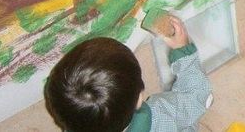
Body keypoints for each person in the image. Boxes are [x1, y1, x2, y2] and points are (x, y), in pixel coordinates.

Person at [44, 16, 212, 132]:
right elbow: (197, 96)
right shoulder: (162, 115)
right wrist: (183, 50)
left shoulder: (77, 120)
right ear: (139, 98)